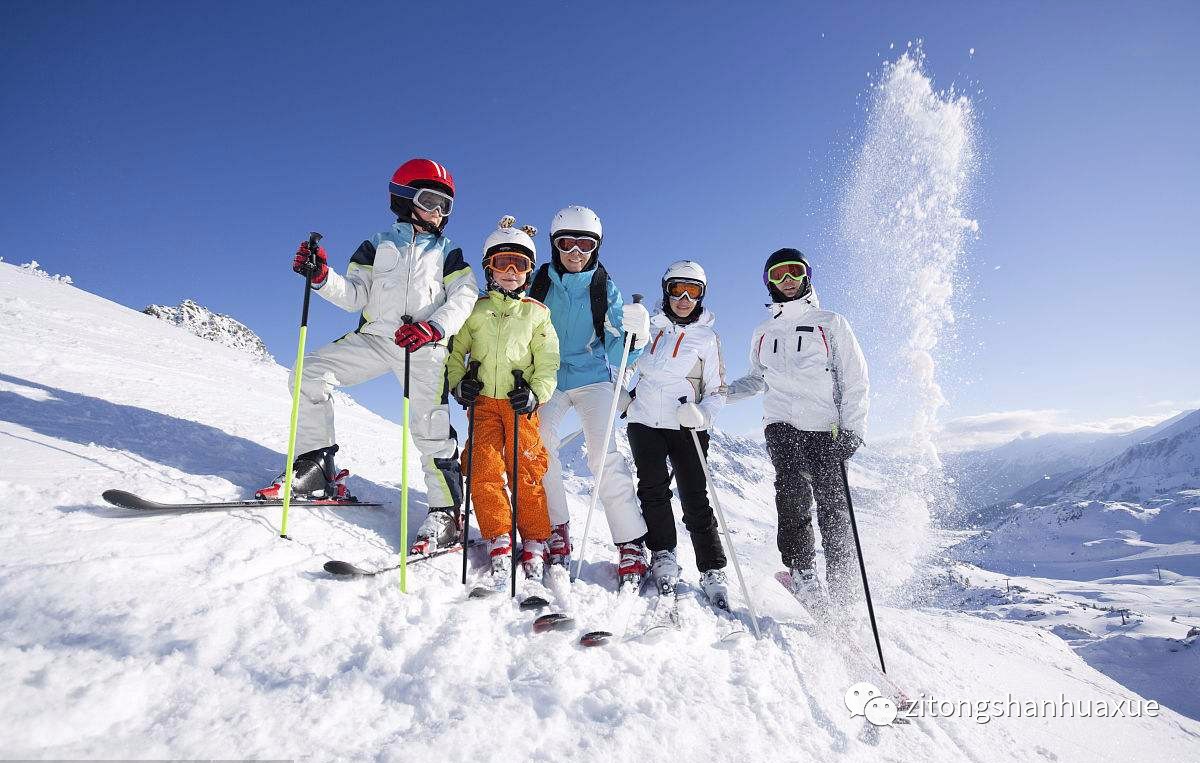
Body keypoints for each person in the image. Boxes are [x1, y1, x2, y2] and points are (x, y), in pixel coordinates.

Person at [258, 158, 478, 556]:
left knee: (430, 427)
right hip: (377, 338)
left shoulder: (450, 253)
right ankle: (316, 468)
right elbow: (355, 295)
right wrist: (322, 278)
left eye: (446, 205)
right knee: (309, 374)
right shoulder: (376, 245)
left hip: (424, 346)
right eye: (431, 200)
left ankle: (446, 512)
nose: (438, 212)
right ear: (404, 197)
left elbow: (464, 298)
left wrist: (435, 328)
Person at [727, 248, 869, 605]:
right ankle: (802, 575)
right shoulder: (763, 331)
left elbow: (855, 379)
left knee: (832, 508)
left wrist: (853, 430)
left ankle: (843, 590)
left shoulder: (831, 323)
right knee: (790, 500)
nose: (787, 280)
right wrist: (718, 395)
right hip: (780, 424)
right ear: (768, 282)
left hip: (825, 427)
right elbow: (756, 379)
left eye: (793, 271)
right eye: (778, 274)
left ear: (807, 275)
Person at [528, 206, 652, 583]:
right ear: (555, 245)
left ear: (596, 248)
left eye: (585, 244)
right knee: (539, 445)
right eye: (567, 243)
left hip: (594, 376)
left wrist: (638, 337)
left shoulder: (603, 287)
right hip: (549, 377)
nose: (576, 252)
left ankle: (630, 541)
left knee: (601, 453)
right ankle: (556, 527)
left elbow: (618, 346)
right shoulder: (540, 284)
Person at [447, 216, 561, 588]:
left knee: (525, 470)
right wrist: (457, 382)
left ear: (528, 272)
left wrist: (536, 394)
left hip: (519, 407)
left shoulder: (537, 313)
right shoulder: (474, 310)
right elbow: (455, 352)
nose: (510, 271)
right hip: (482, 404)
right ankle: (498, 534)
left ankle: (535, 538)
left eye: (520, 264)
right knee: (483, 469)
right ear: (488, 269)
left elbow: (547, 361)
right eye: (502, 263)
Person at [623, 260, 730, 606]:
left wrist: (702, 414)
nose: (684, 298)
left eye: (693, 291)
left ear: (702, 296)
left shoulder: (708, 338)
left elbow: (718, 390)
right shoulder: (648, 327)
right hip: (644, 421)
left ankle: (711, 568)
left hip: (687, 423)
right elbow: (624, 362)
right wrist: (622, 395)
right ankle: (663, 553)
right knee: (652, 490)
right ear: (665, 291)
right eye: (677, 289)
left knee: (694, 495)